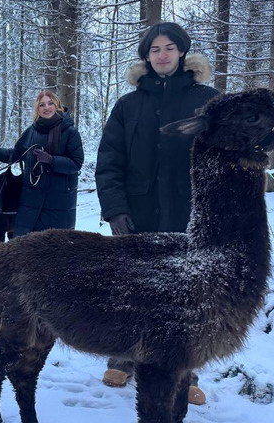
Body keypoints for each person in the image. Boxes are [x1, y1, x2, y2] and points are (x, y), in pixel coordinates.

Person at [95, 21, 218, 405]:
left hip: (189, 215)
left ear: (182, 51)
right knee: (132, 289)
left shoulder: (208, 101)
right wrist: (115, 210)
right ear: (146, 57)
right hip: (138, 216)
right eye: (155, 49)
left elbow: (224, 159)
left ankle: (184, 371)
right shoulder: (128, 105)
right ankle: (124, 357)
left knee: (187, 297)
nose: (162, 55)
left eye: (169, 48)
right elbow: (109, 163)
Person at [0, 90, 84, 237]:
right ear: (37, 109)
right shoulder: (31, 132)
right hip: (31, 203)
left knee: (56, 247)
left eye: (50, 103)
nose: (46, 108)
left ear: (57, 106)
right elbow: (14, 155)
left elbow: (76, 163)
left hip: (59, 203)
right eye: (42, 105)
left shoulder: (70, 132)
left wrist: (52, 160)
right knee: (26, 246)